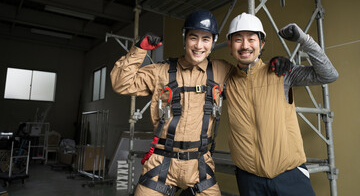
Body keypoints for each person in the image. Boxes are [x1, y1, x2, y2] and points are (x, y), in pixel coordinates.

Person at [110, 10, 288, 196]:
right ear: (185, 39)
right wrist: (139, 49)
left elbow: (249, 76)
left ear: (212, 43)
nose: (199, 45)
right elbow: (121, 83)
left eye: (206, 39)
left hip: (200, 166)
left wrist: (271, 64)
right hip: (161, 163)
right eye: (193, 38)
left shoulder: (221, 70)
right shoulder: (160, 71)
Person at [225, 12, 339, 196]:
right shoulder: (226, 81)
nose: (245, 45)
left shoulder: (281, 72)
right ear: (230, 45)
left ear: (261, 44)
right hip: (249, 179)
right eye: (238, 39)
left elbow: (329, 75)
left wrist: (304, 40)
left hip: (290, 176)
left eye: (251, 39)